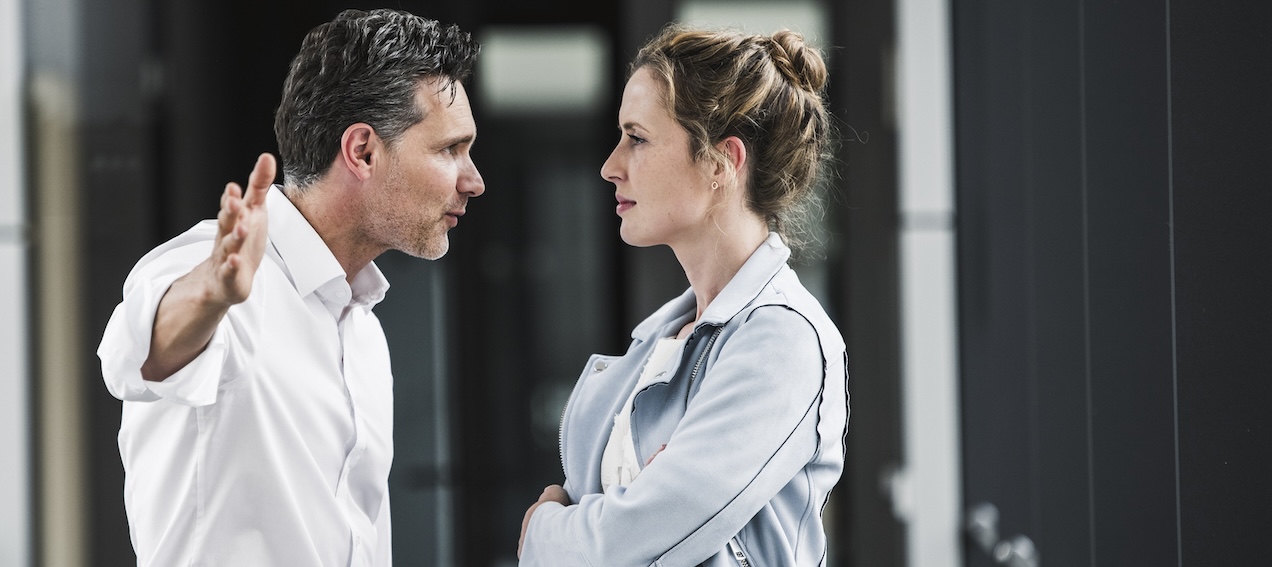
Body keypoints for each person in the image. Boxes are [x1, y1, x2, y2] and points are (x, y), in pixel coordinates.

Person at [96, 9, 483, 566]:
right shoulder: (214, 268)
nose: (474, 180)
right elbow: (136, 355)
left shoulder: (364, 327)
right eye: (450, 150)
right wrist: (212, 292)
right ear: (363, 151)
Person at [516, 25, 847, 566]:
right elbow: (631, 530)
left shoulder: (782, 340)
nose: (610, 166)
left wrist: (542, 532)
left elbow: (635, 539)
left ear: (721, 163)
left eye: (637, 138)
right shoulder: (659, 344)